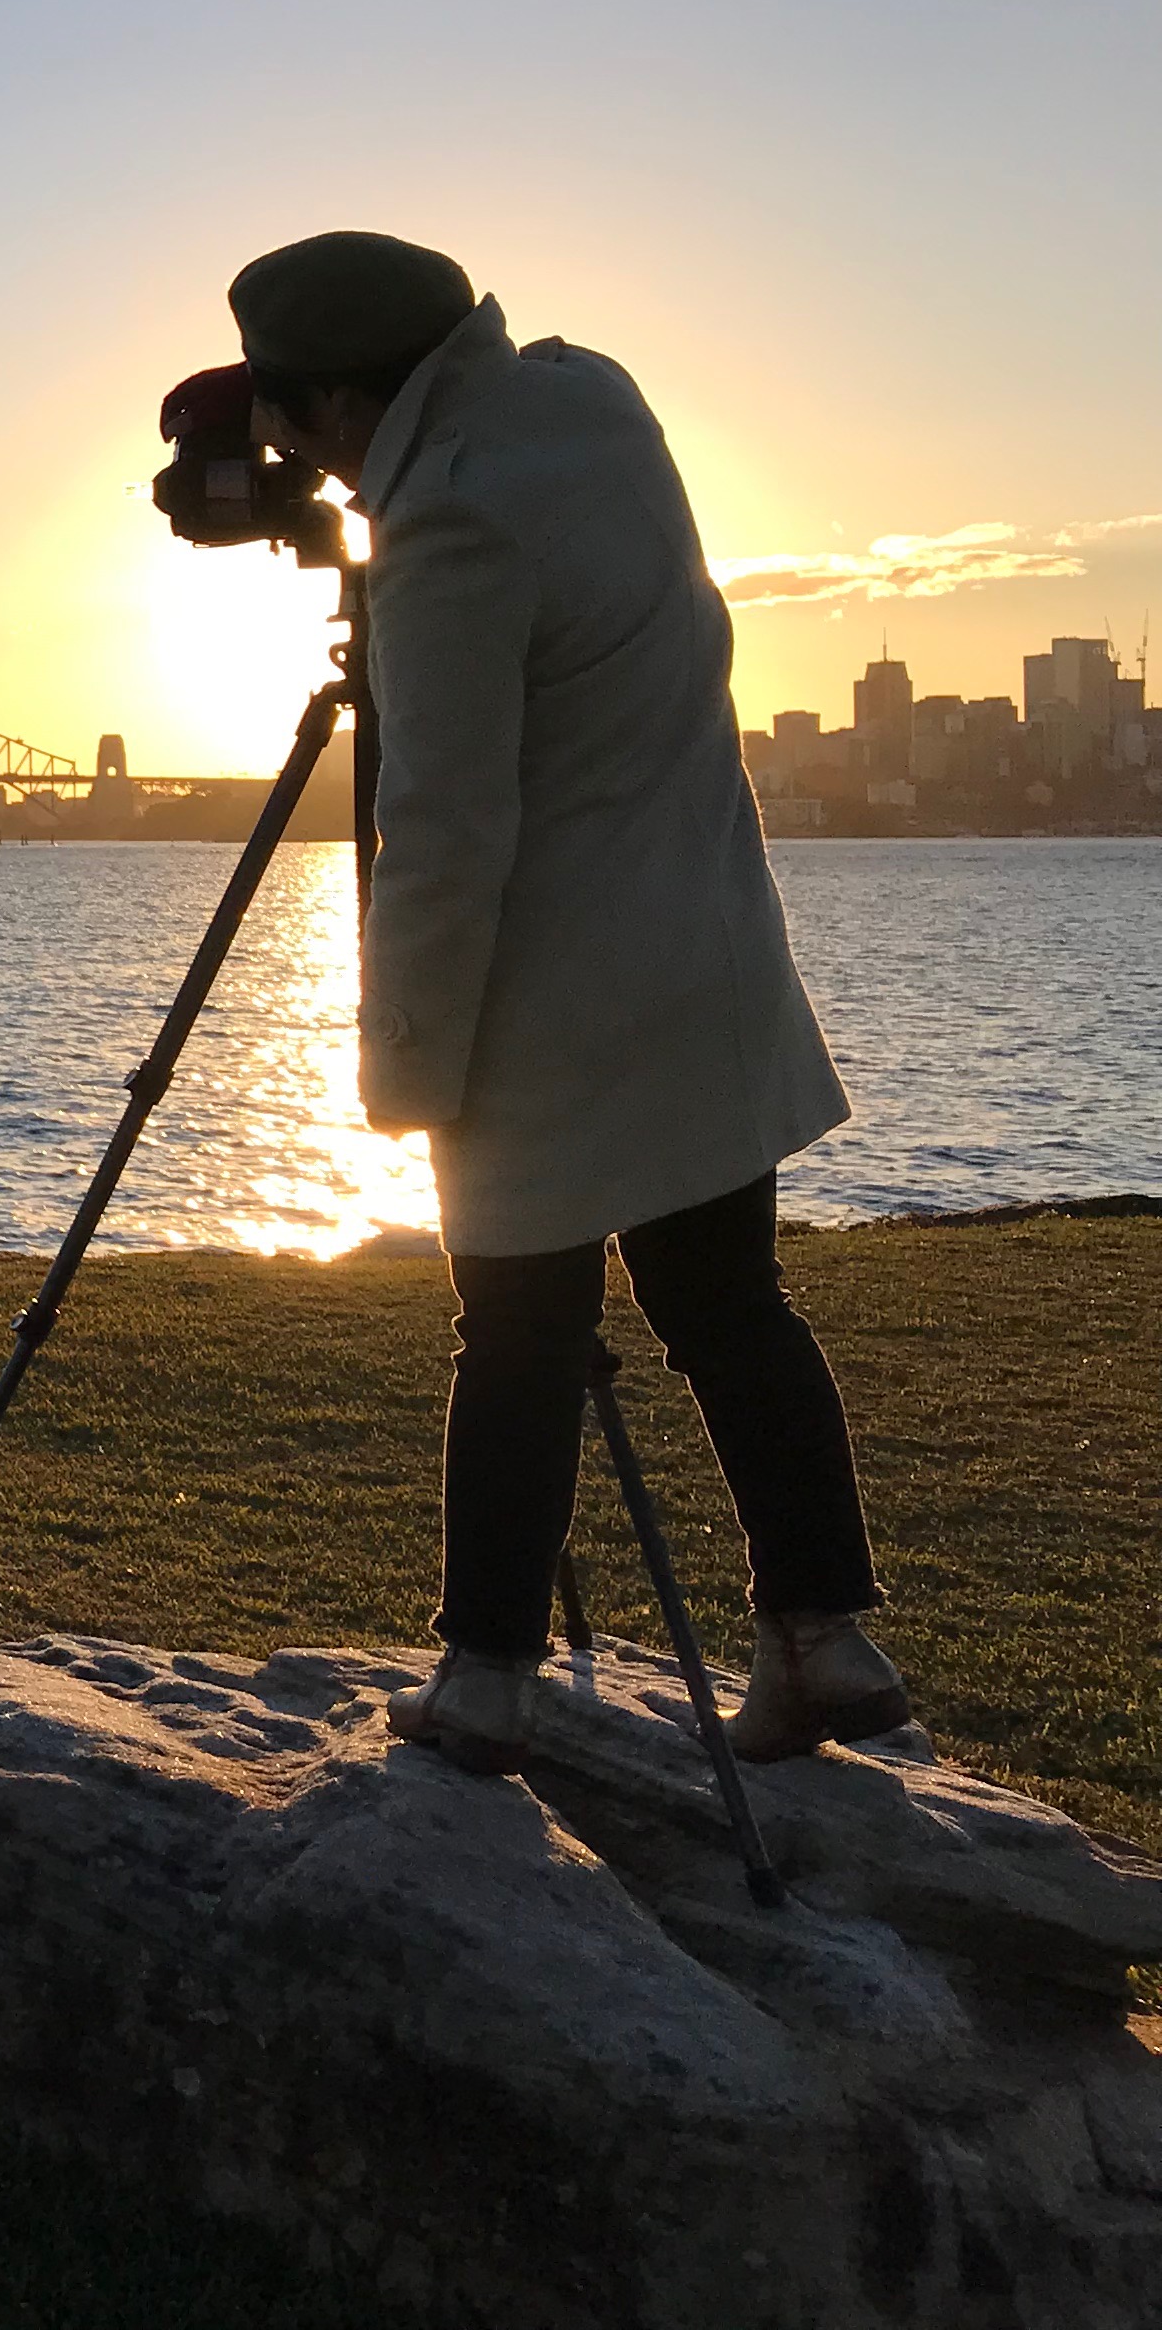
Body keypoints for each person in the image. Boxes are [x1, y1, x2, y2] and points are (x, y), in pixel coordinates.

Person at [228, 229, 909, 1777]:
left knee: (519, 1335)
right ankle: (826, 1638)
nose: (309, 467)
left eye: (302, 423)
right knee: (732, 1310)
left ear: (339, 399)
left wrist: (403, 1067)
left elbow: (449, 832)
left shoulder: (449, 533)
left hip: (553, 1011)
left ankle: (485, 1679)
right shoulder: (594, 404)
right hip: (707, 962)